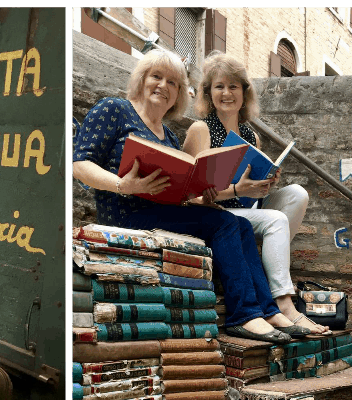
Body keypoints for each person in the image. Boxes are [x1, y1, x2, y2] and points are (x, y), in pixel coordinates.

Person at [72, 49, 310, 343]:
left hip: (164, 211)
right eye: (156, 76)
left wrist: (202, 190)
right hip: (125, 211)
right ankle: (244, 315)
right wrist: (124, 185)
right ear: (141, 79)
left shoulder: (168, 136)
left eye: (173, 82)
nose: (163, 86)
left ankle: (267, 310)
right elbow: (80, 164)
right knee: (222, 223)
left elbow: (182, 194)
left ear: (179, 94)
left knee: (242, 225)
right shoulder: (114, 109)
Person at [183, 51, 329, 335]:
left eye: (233, 86)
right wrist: (239, 189)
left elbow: (253, 188)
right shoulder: (201, 130)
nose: (227, 93)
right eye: (219, 86)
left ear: (244, 92)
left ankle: (269, 263)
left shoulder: (252, 136)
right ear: (208, 93)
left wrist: (265, 183)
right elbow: (192, 195)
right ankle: (284, 304)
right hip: (219, 213)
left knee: (297, 193)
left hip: (248, 206)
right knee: (275, 220)